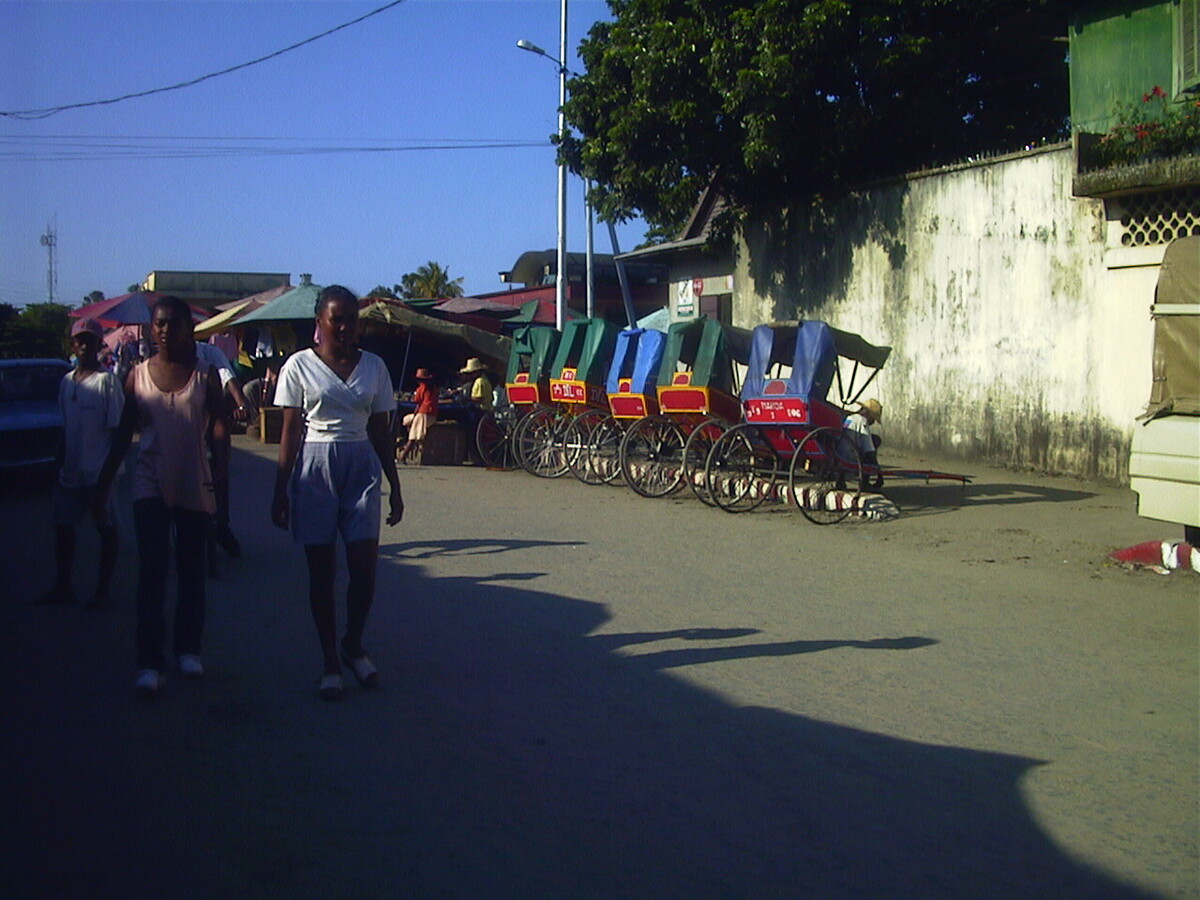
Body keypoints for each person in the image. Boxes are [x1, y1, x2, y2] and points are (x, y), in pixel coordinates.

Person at [271, 285, 403, 701]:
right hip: (315, 466)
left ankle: (353, 644)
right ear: (320, 323)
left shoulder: (375, 367)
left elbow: (381, 432)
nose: (344, 327)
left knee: (364, 568)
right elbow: (291, 431)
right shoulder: (299, 366)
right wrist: (281, 488)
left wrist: (395, 486)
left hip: (361, 464)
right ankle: (330, 660)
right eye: (336, 319)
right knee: (322, 572)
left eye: (351, 319)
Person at [97, 296, 228, 697]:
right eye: (159, 324)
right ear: (152, 329)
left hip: (193, 480)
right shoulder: (136, 376)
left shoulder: (205, 376)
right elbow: (124, 433)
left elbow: (219, 431)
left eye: (173, 323)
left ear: (190, 329)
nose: (165, 331)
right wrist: (102, 484)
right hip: (150, 482)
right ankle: (149, 660)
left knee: (192, 572)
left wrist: (221, 484)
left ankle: (188, 648)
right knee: (152, 571)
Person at [38, 318, 124, 609]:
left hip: (98, 473)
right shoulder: (66, 383)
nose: (85, 346)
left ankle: (103, 592)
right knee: (63, 529)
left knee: (107, 530)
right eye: (80, 340)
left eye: (90, 340)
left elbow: (118, 434)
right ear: (73, 345)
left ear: (100, 345)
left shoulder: (107, 382)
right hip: (70, 473)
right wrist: (57, 464)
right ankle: (64, 587)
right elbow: (65, 429)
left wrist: (107, 479)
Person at [196, 340, 249, 560]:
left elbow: (228, 377)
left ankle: (222, 526)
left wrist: (241, 404)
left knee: (220, 471)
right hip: (183, 422)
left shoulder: (210, 352)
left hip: (212, 416)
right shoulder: (168, 355)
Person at [398, 368, 438, 464]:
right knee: (410, 423)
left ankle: (403, 456)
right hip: (431, 415)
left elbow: (418, 404)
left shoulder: (421, 388)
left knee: (413, 437)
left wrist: (416, 415)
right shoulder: (434, 388)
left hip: (423, 414)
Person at [843, 398, 884, 490]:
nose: (873, 422)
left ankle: (841, 481)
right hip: (851, 456)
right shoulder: (862, 421)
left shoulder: (850, 417)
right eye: (873, 418)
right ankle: (865, 482)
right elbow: (869, 449)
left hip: (841, 452)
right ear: (868, 414)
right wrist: (878, 473)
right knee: (875, 441)